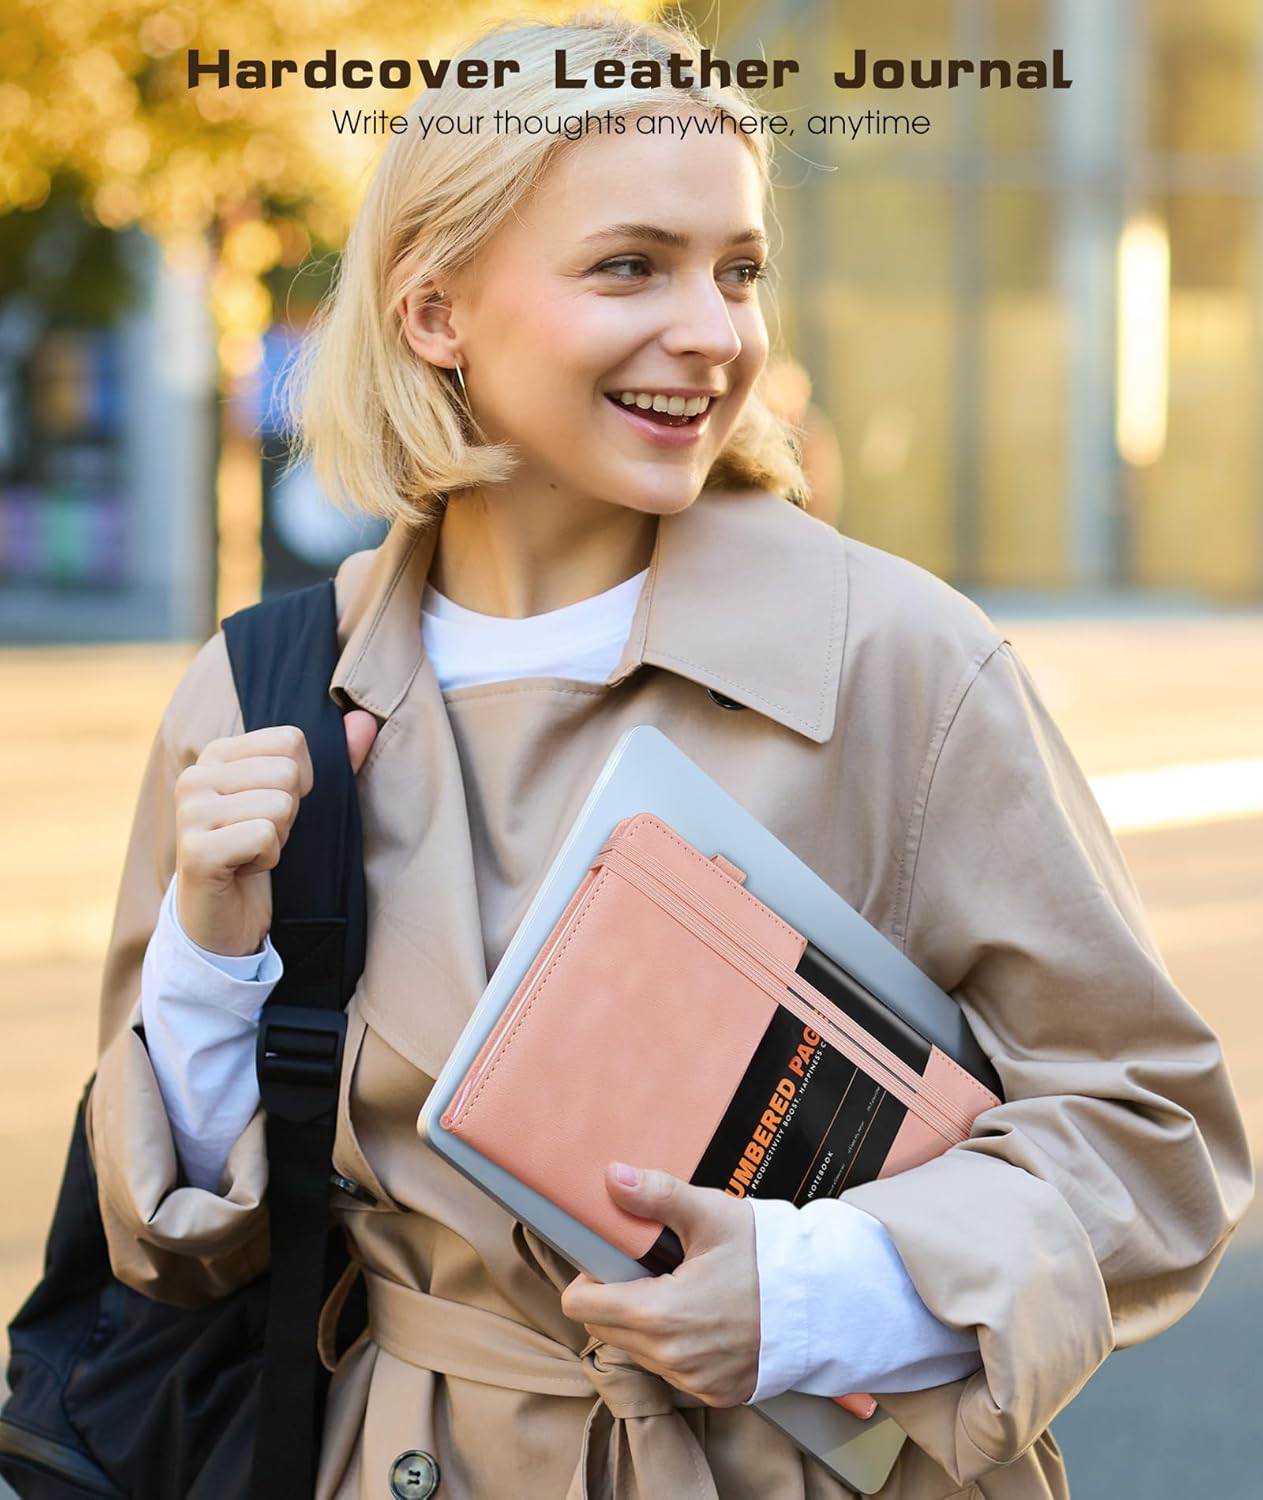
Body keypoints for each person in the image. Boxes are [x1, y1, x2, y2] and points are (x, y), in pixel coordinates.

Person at [85, 10, 1252, 1500]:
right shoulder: (260, 694)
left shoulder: (897, 661)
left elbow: (1156, 1143)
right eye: (631, 265)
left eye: (740, 268)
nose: (714, 331)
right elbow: (176, 1243)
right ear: (436, 312)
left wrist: (825, 1289)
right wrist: (209, 955)